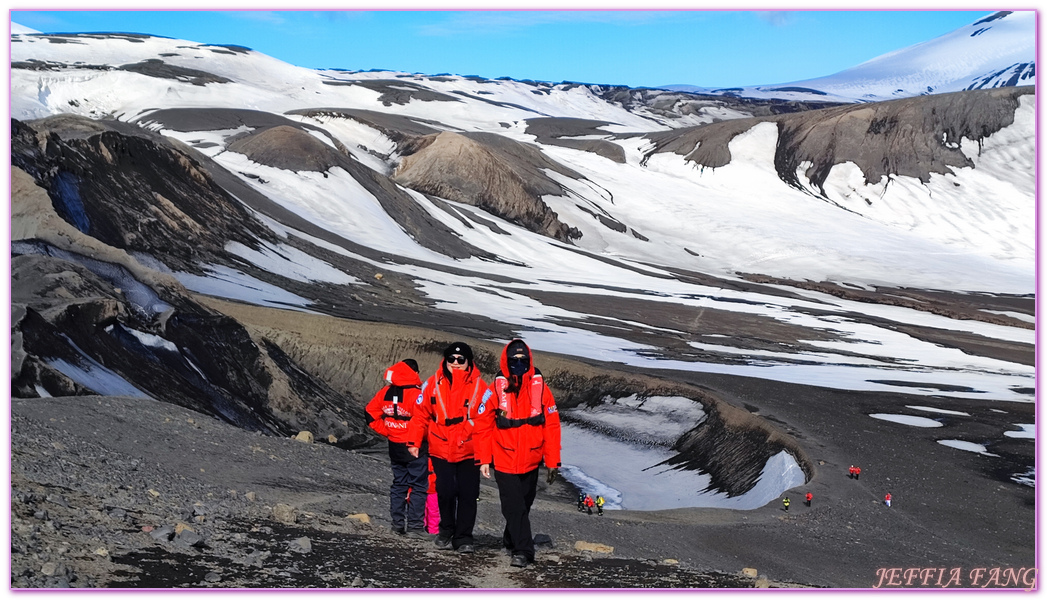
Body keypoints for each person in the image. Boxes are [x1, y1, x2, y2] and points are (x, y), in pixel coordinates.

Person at [477, 338, 562, 569]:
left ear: (529, 360)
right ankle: (523, 551)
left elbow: (552, 426)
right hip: (504, 459)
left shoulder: (541, 390)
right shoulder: (494, 389)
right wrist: (484, 459)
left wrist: (553, 461)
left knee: (524, 505)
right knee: (513, 507)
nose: (518, 364)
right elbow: (483, 425)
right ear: (506, 361)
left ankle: (509, 539)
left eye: (522, 360)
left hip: (532, 460)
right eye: (513, 360)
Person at [408, 342, 491, 554]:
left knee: (468, 494)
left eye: (460, 360)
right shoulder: (432, 384)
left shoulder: (481, 388)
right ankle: (446, 530)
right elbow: (420, 414)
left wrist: (484, 458)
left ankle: (463, 538)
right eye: (451, 359)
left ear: (468, 362)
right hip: (440, 447)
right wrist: (414, 441)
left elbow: (485, 424)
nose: (455, 363)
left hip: (468, 449)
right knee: (444, 492)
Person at [365, 359, 429, 538]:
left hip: (394, 445)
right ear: (414, 372)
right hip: (414, 447)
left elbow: (370, 413)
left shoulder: (385, 392)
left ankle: (397, 525)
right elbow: (425, 420)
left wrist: (388, 431)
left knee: (399, 484)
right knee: (418, 486)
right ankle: (415, 527)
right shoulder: (416, 394)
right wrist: (424, 438)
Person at [424, 459, 439, 534]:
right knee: (421, 509)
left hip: (433, 487)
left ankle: (433, 530)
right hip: (420, 485)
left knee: (433, 510)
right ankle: (423, 528)